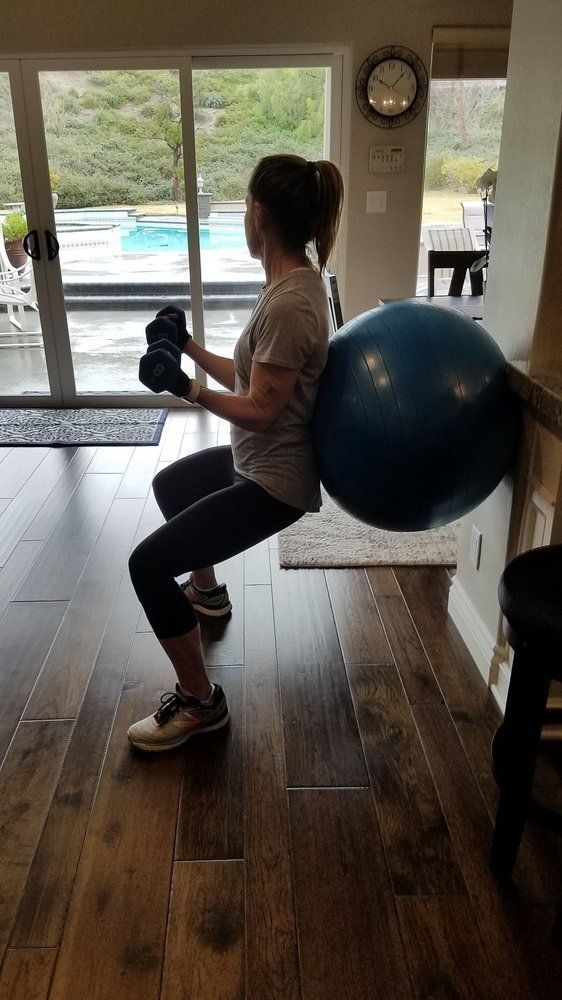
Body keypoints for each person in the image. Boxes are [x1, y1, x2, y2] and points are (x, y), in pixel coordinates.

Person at [127, 153, 344, 751]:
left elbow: (263, 408)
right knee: (171, 486)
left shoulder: (294, 301)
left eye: (246, 206)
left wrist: (186, 389)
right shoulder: (285, 285)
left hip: (274, 484)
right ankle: (207, 592)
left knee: (145, 567)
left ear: (260, 214)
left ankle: (200, 704)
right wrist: (188, 344)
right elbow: (252, 379)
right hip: (253, 460)